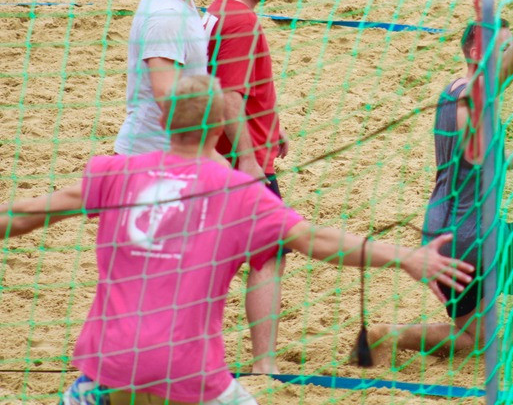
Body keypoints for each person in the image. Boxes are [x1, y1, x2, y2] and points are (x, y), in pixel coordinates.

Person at [1, 74, 473, 405]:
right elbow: (316, 240)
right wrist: (405, 257)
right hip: (188, 373)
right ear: (221, 126)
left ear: (165, 118)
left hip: (108, 366)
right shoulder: (241, 194)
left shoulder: (113, 172)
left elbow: (24, 215)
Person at [369, 0, 513, 360]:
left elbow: (486, 161)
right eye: (498, 47)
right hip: (473, 238)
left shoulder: (453, 92)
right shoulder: (473, 96)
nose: (505, 56)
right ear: (474, 52)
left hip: (441, 232)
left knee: (474, 340)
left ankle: (389, 334)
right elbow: (504, 72)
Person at [205, 0, 290, 375]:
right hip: (240, 165)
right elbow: (230, 97)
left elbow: (228, 86)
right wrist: (249, 160)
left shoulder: (216, 11)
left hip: (225, 156)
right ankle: (265, 366)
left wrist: (273, 128)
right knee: (267, 256)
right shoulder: (242, 20)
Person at [115, 0, 213, 157]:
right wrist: (208, 154)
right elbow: (166, 97)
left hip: (165, 157)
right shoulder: (166, 14)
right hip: (146, 161)